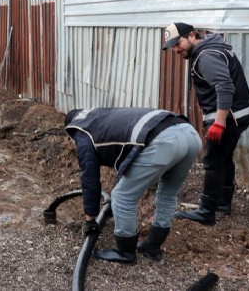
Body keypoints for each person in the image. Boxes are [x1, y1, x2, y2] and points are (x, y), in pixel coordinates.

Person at [64, 107, 201, 264]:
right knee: (168, 194)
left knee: (122, 197)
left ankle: (125, 252)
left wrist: (90, 218)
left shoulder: (82, 133)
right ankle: (152, 246)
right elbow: (127, 160)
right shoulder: (101, 116)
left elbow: (89, 178)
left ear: (71, 127)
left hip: (164, 141)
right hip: (190, 134)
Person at [163, 22, 249, 226]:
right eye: (172, 46)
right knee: (224, 157)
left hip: (230, 117)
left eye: (177, 43)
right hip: (238, 114)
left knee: (213, 160)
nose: (175, 49)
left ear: (191, 36)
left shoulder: (206, 56)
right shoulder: (208, 49)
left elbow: (225, 87)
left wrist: (219, 123)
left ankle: (207, 211)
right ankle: (223, 205)